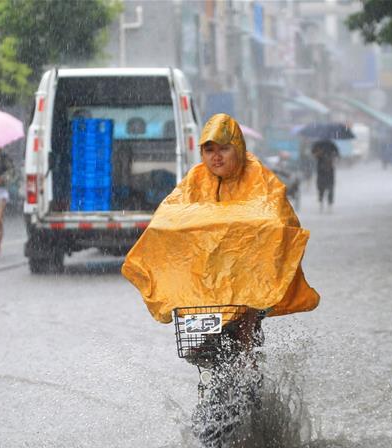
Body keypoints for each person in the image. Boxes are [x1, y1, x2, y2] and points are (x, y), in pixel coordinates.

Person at [122, 113, 319, 352]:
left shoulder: (258, 176)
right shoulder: (195, 177)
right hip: (206, 271)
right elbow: (170, 214)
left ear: (237, 147)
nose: (215, 157)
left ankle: (248, 360)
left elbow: (279, 218)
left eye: (223, 149)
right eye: (208, 150)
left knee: (246, 320)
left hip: (246, 269)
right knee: (196, 323)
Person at [312, 139, 337, 206]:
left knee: (330, 186)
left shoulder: (331, 145)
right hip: (321, 170)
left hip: (329, 169)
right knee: (321, 186)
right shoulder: (317, 145)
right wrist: (318, 153)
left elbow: (336, 154)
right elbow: (313, 153)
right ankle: (321, 198)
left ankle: (329, 201)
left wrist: (332, 156)